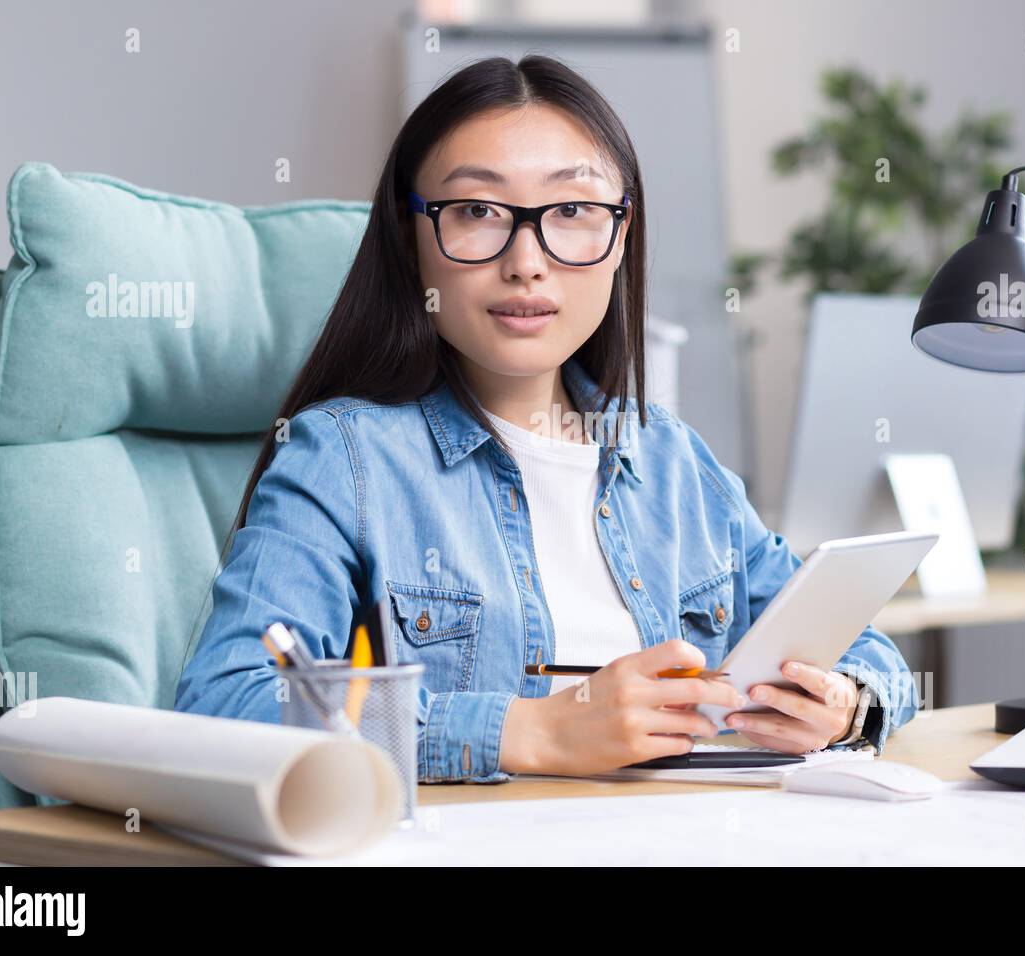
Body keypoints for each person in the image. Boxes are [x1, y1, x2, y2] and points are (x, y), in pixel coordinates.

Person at [175, 54, 920, 782]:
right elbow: (228, 703)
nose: (527, 260)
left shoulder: (671, 460)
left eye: (572, 211)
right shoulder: (347, 457)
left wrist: (845, 704)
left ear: (620, 235)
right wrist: (528, 730)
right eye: (475, 211)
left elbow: (863, 647)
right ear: (412, 241)